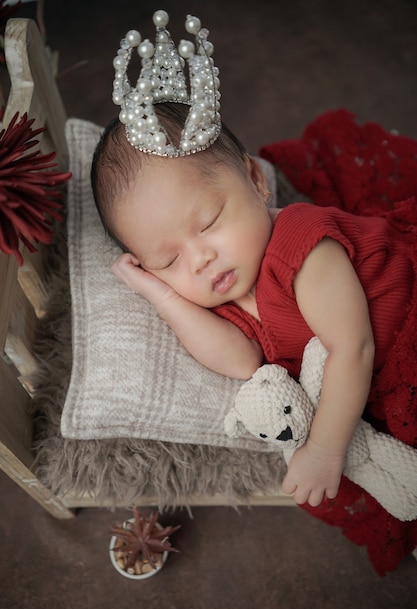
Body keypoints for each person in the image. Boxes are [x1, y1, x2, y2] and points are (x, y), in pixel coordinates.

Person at [91, 11, 417, 573]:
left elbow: (352, 348)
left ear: (256, 180)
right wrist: (161, 293)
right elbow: (240, 361)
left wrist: (323, 450)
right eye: (170, 259)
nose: (201, 258)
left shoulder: (300, 243)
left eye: (211, 221)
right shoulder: (221, 302)